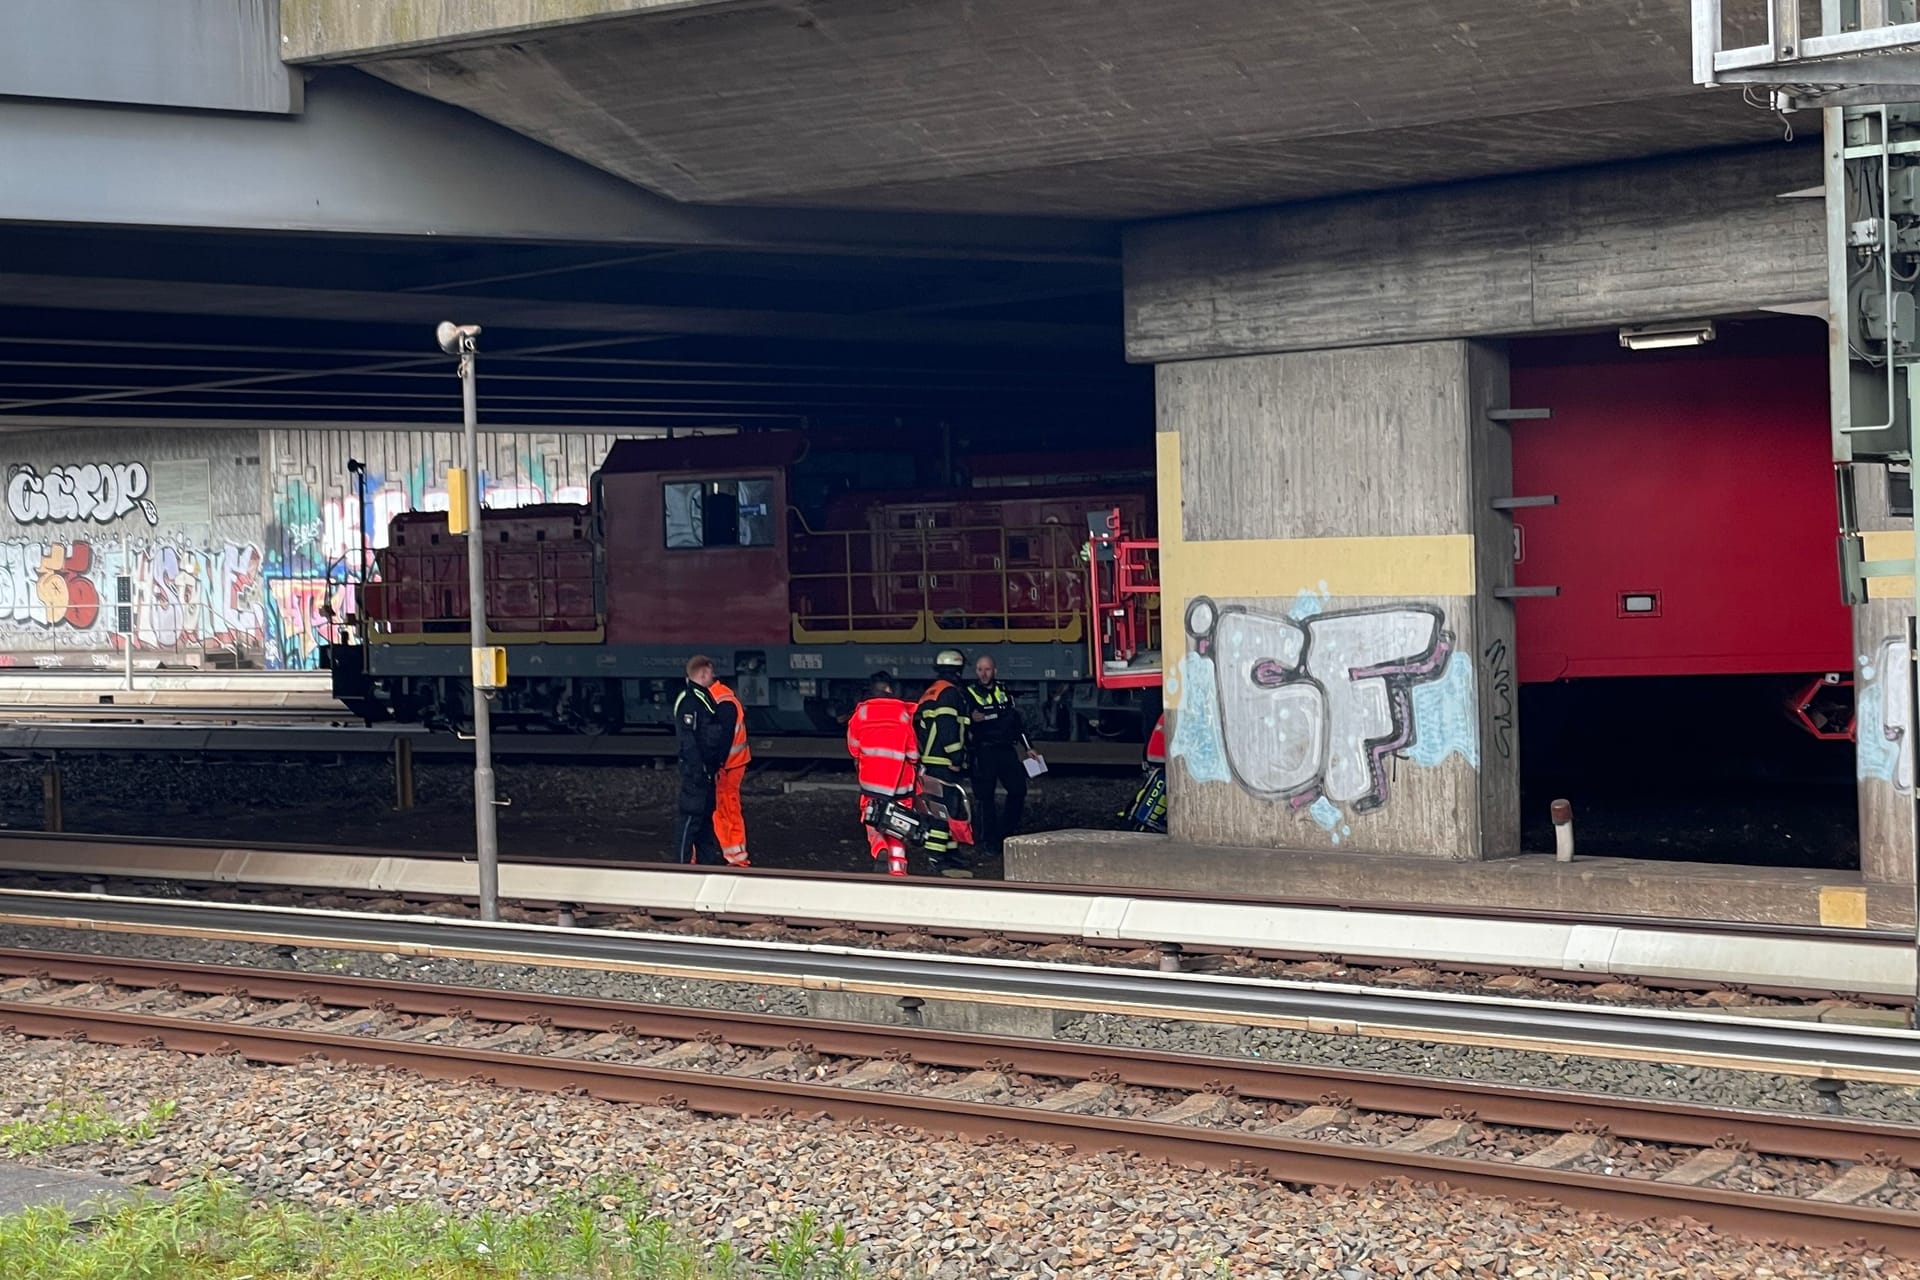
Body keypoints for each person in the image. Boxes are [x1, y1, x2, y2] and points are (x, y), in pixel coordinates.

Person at [846, 671, 918, 876]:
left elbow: (853, 747)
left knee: (873, 819)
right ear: (890, 689)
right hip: (900, 785)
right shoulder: (902, 713)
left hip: (872, 783)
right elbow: (912, 752)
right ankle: (897, 870)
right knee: (898, 825)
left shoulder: (861, 713)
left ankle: (880, 849)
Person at [966, 653, 1037, 855]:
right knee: (985, 797)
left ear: (994, 671)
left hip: (1006, 749)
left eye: (987, 669)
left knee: (1018, 790)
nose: (984, 673)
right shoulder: (969, 693)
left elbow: (1017, 724)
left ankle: (1007, 832)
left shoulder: (1004, 691)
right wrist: (971, 719)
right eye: (980, 669)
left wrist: (1028, 748)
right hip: (984, 751)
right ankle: (989, 841)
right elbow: (963, 720)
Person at [914, 648, 974, 876]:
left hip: (931, 759)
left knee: (946, 808)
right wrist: (957, 757)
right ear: (958, 670)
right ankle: (936, 857)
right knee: (943, 810)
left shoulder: (931, 692)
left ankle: (950, 852)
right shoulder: (950, 693)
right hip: (944, 761)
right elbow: (948, 728)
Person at [673, 654, 736, 866]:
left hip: (704, 771)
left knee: (704, 819)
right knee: (691, 817)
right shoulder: (692, 701)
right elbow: (690, 740)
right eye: (711, 672)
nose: (714, 676)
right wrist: (700, 768)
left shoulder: (700, 698)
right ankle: (681, 865)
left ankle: (707, 861)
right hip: (697, 772)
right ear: (704, 672)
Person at [708, 674, 752, 867]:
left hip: (727, 766)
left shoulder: (718, 702)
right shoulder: (724, 698)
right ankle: (735, 854)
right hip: (733, 764)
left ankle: (736, 856)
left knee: (725, 808)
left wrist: (716, 764)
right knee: (726, 808)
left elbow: (721, 739)